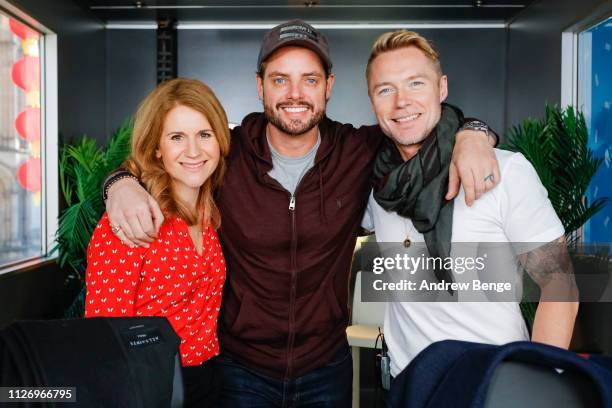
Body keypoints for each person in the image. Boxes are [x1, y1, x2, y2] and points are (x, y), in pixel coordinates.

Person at [103, 20, 500, 407]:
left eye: (310, 79)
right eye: (280, 79)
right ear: (260, 86)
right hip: (240, 369)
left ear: (328, 86)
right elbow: (165, 161)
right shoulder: (226, 153)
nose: (295, 93)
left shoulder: (358, 151)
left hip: (326, 365)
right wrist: (118, 184)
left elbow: (420, 123)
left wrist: (475, 132)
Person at [361, 30, 579, 382]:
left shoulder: (505, 171)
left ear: (442, 88)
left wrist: (538, 384)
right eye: (385, 89)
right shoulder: (377, 187)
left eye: (416, 83)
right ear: (373, 102)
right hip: (407, 385)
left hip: (493, 383)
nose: (401, 101)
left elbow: (561, 286)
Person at [85, 78, 230, 407]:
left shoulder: (211, 213)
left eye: (204, 135)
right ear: (156, 147)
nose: (193, 151)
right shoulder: (129, 219)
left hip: (208, 379)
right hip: (149, 384)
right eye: (177, 137)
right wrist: (120, 183)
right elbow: (103, 336)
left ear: (219, 140)